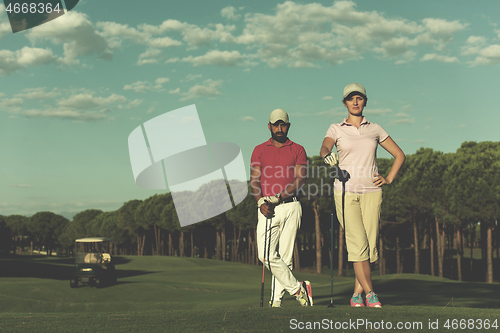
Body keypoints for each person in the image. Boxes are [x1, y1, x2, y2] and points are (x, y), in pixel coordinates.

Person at [320, 83, 405, 308]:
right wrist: (327, 155)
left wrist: (388, 178)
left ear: (365, 101)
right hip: (345, 193)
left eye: (359, 98)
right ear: (345, 103)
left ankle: (356, 295)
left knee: (368, 246)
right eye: (351, 99)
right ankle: (370, 293)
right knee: (357, 244)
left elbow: (399, 155)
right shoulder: (336, 128)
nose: (355, 102)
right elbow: (325, 147)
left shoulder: (375, 129)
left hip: (372, 193)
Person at [250, 108, 312, 307]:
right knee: (265, 256)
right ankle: (298, 289)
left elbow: (300, 179)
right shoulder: (259, 149)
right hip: (267, 207)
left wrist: (278, 197)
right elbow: (254, 180)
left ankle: (276, 302)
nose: (279, 128)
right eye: (275, 124)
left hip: (291, 206)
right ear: (269, 126)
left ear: (288, 126)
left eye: (283, 124)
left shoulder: (298, 149)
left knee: (286, 257)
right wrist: (260, 202)